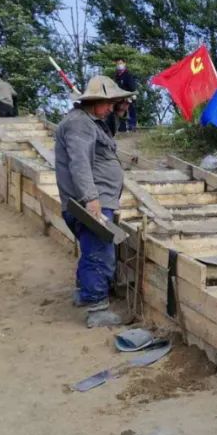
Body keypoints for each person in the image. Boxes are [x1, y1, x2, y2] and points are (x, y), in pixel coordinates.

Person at [54, 75, 132, 326]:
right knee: (99, 252)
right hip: (90, 201)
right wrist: (91, 198)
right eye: (107, 103)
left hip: (94, 199)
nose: (110, 107)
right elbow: (79, 164)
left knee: (92, 249)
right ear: (94, 101)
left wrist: (118, 112)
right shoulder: (79, 125)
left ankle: (84, 293)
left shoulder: (89, 121)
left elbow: (104, 141)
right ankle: (97, 308)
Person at [113, 58, 139, 131]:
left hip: (129, 96)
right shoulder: (116, 76)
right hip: (120, 97)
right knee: (120, 111)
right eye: (118, 64)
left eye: (120, 63)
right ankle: (122, 127)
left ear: (124, 64)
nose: (119, 65)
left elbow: (132, 86)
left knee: (131, 110)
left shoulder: (128, 75)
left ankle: (132, 126)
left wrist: (133, 94)